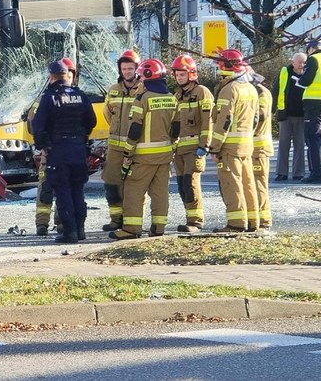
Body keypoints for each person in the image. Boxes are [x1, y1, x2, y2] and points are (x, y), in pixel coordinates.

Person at [110, 58, 178, 240]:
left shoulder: (143, 99)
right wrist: (171, 147)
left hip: (143, 157)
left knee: (133, 190)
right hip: (164, 156)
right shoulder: (172, 98)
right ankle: (158, 227)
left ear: (147, 75)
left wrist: (127, 152)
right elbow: (176, 128)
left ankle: (131, 229)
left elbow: (135, 129)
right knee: (160, 192)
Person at [31, 59, 96, 244]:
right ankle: (81, 229)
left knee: (63, 191)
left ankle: (69, 232)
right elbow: (91, 121)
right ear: (67, 75)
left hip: (58, 151)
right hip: (78, 150)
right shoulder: (80, 95)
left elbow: (38, 126)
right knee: (77, 191)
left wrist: (42, 144)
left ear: (51, 77)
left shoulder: (49, 98)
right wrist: (81, 137)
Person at [210, 49, 259, 232]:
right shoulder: (251, 89)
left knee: (232, 184)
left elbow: (224, 121)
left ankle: (236, 223)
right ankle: (253, 221)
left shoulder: (229, 89)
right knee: (248, 183)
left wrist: (215, 148)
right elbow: (256, 119)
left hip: (230, 146)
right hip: (246, 144)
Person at [29, 58, 76, 236]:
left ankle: (62, 222)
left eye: (70, 75)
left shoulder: (75, 97)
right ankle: (42, 224)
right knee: (46, 188)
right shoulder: (45, 98)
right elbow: (32, 122)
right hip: (52, 152)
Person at [170, 54, 213, 233]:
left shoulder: (202, 92)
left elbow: (208, 120)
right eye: (177, 75)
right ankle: (189, 217)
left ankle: (196, 221)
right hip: (179, 149)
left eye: (182, 74)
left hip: (195, 148)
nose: (179, 78)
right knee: (182, 185)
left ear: (191, 74)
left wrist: (205, 145)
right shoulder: (177, 96)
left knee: (191, 182)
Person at [101, 50, 141, 233]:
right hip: (115, 147)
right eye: (124, 68)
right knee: (111, 182)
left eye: (130, 68)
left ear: (137, 69)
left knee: (132, 185)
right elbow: (107, 113)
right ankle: (116, 219)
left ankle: (131, 222)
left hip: (136, 147)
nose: (127, 72)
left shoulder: (143, 89)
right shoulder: (113, 90)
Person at [295, 39, 321, 183]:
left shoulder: (313, 59)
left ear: (311, 49)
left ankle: (316, 174)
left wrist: (299, 81)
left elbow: (306, 80)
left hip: (314, 102)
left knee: (312, 138)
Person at [270, 53, 306, 181]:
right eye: (299, 62)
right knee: (283, 144)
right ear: (293, 62)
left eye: (303, 62)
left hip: (302, 115)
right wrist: (272, 109)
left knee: (300, 145)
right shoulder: (285, 72)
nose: (301, 65)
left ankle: (298, 173)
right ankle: (281, 173)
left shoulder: (309, 74)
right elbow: (275, 90)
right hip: (285, 114)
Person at [250, 68, 273, 231]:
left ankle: (263, 221)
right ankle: (253, 219)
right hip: (249, 147)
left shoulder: (261, 93)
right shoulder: (254, 91)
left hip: (258, 148)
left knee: (258, 184)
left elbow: (261, 116)